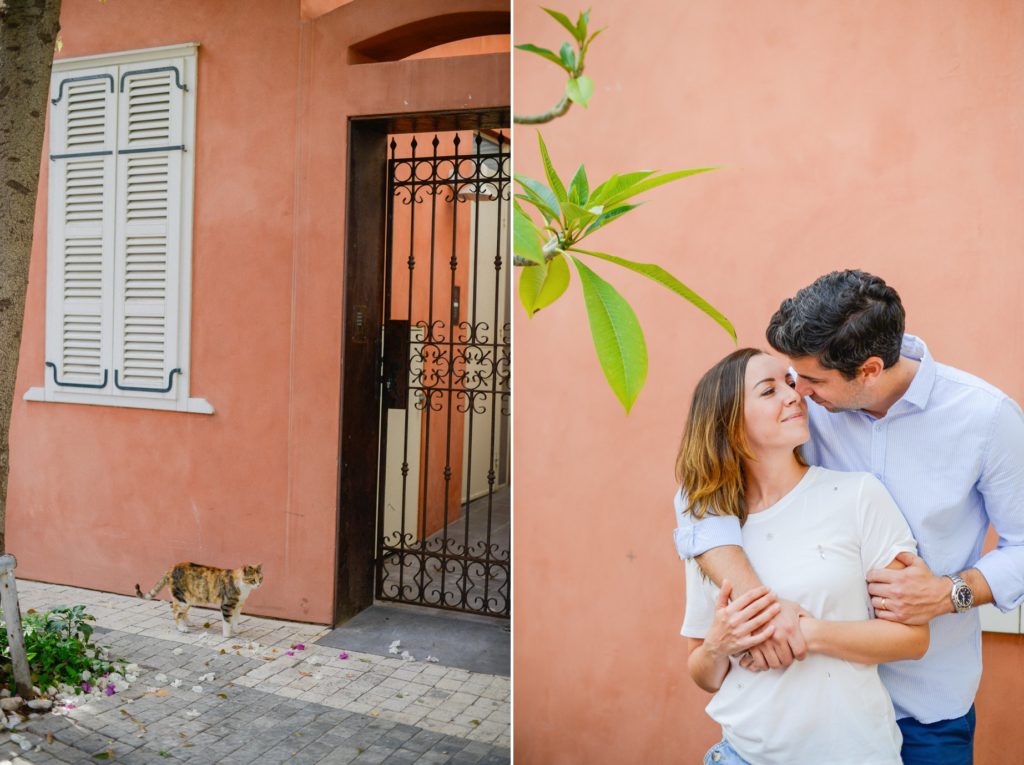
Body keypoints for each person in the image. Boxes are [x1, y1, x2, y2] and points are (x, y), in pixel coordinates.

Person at [675, 270, 1024, 765]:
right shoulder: (798, 409)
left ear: (870, 370)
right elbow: (703, 491)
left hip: (925, 707)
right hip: (804, 711)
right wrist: (766, 615)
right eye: (790, 380)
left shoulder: (986, 418)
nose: (800, 393)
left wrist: (950, 592)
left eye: (811, 381)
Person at [678, 347, 928, 765]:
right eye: (768, 390)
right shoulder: (710, 533)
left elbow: (913, 639)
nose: (794, 395)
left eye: (791, 383)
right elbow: (703, 672)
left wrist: (805, 633)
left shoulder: (857, 495)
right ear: (729, 423)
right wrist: (719, 645)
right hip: (742, 755)